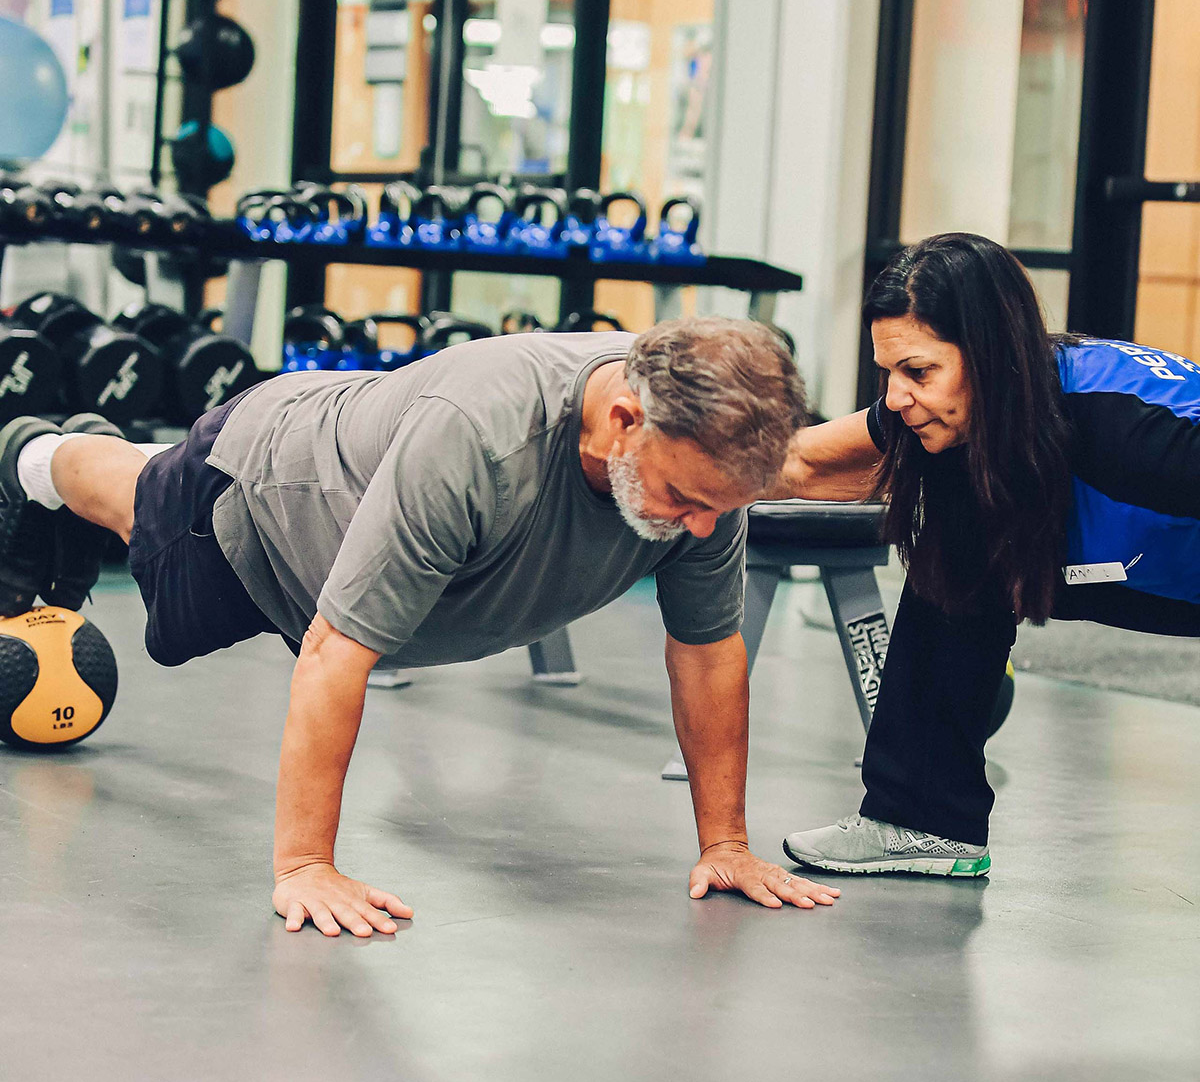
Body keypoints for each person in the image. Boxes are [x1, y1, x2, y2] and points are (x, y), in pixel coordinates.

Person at [0, 317, 841, 934]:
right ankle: (32, 453)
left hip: (366, 482)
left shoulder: (709, 468)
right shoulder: (480, 439)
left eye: (717, 508)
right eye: (687, 501)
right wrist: (306, 865)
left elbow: (709, 654)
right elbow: (336, 653)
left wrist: (725, 840)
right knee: (132, 502)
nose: (702, 527)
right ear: (623, 420)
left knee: (143, 501)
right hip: (260, 494)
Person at [776, 231, 1200, 878]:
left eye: (918, 372)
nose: (895, 397)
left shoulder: (1130, 429)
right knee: (958, 531)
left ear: (992, 355)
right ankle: (921, 818)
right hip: (1118, 560)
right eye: (888, 373)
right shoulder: (962, 405)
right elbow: (801, 464)